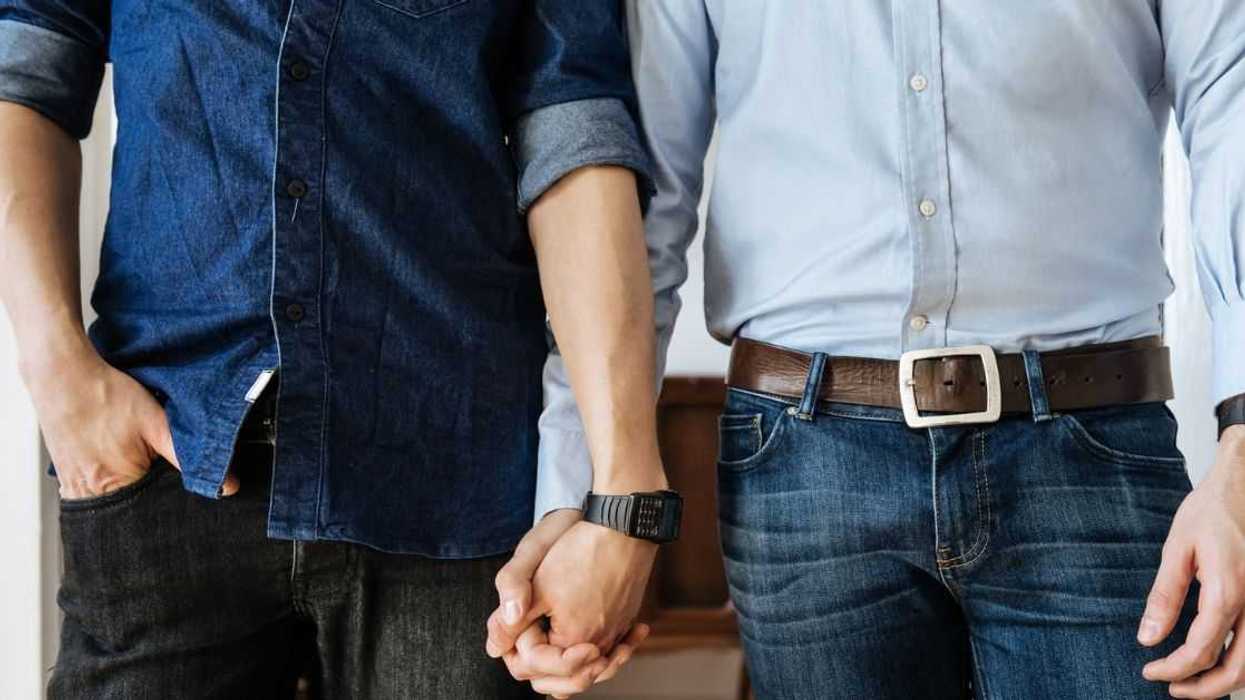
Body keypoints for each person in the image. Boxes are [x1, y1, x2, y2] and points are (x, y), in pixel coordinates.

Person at [497, 1, 1245, 697]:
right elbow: (641, 206)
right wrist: (582, 499)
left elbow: (1230, 99)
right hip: (798, 462)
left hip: (1091, 450)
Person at [0, 1, 669, 697]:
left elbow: (576, 142)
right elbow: (20, 76)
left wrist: (626, 499)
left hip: (451, 483)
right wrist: (58, 376)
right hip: (168, 466)